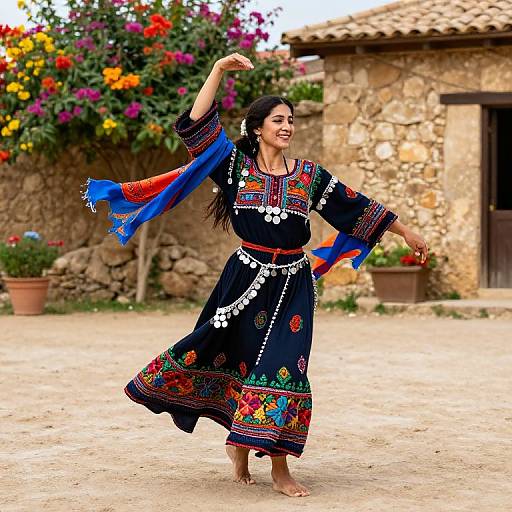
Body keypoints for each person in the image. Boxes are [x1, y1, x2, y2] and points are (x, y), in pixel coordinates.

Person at [121, 52, 429, 497]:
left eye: (291, 120)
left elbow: (355, 205)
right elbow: (197, 125)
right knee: (240, 361)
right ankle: (241, 449)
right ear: (258, 127)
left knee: (284, 369)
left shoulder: (309, 176)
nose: (287, 126)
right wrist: (218, 71)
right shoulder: (233, 168)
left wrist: (405, 231)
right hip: (243, 282)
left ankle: (280, 470)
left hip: (292, 284)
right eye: (279, 119)